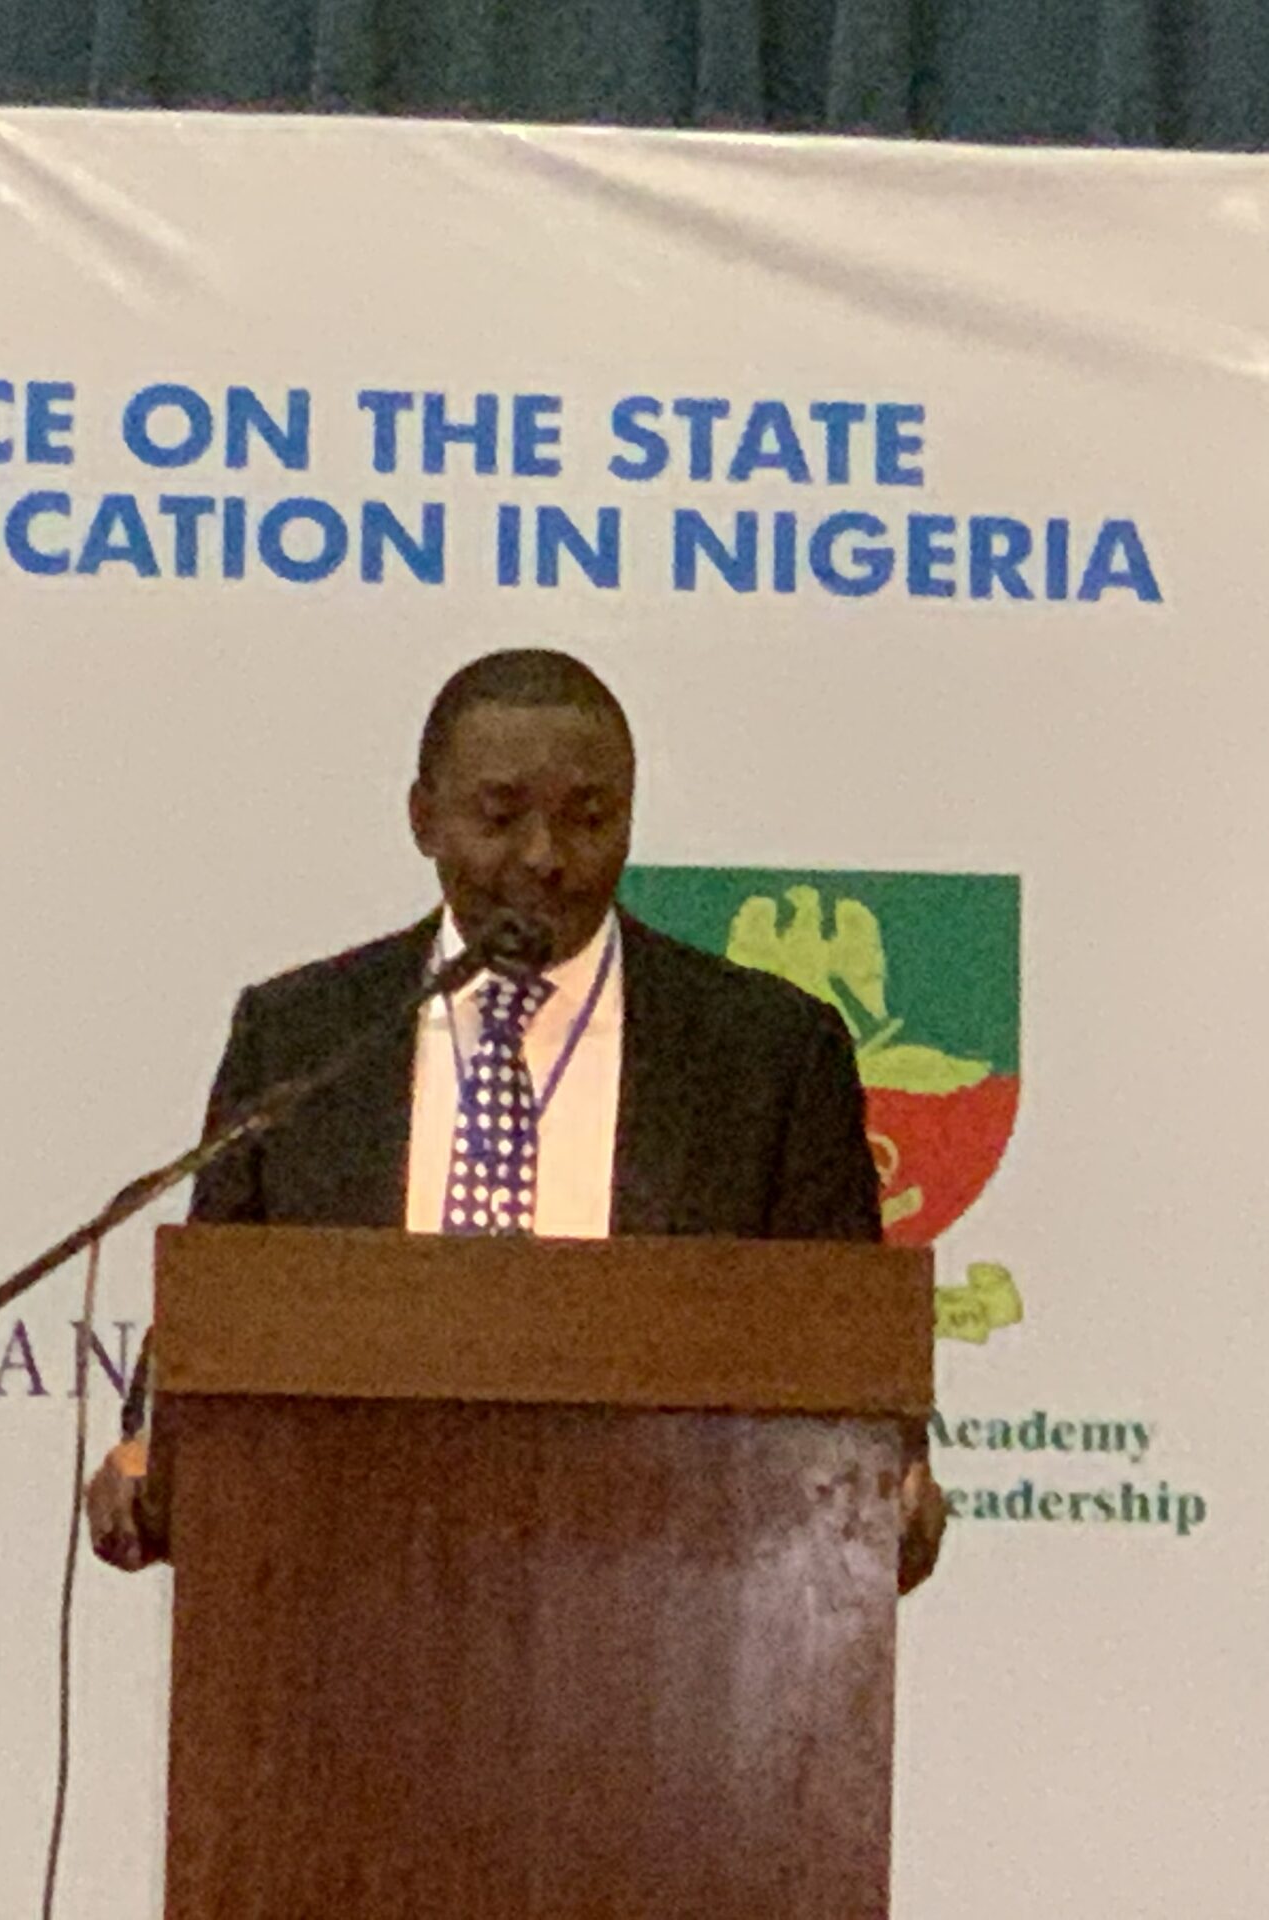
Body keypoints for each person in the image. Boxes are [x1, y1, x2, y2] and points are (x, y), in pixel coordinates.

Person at [88, 647, 946, 1590]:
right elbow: (221, 1308)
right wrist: (151, 1448)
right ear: (423, 818)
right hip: (341, 1591)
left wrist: (893, 1477)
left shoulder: (768, 1053)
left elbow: (843, 1349)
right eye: (501, 817)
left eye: (590, 819)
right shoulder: (303, 1035)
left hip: (674, 1601)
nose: (545, 856)